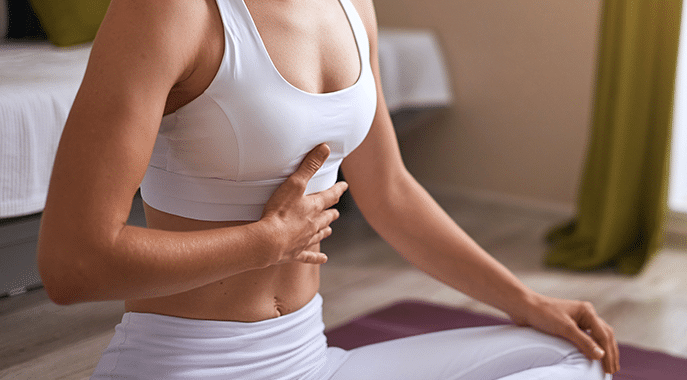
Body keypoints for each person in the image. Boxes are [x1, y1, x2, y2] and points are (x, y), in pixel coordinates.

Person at [36, 0, 620, 378]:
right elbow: (72, 265)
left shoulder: (351, 7)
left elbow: (388, 189)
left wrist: (531, 304)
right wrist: (261, 243)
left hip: (311, 362)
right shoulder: (169, 11)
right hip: (188, 365)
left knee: (572, 357)